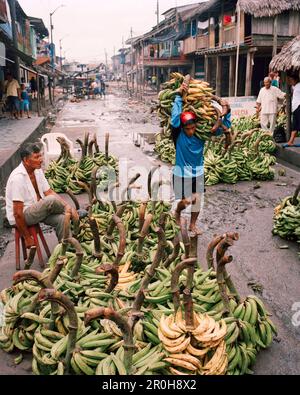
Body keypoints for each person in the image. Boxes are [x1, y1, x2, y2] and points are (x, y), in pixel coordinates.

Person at [5, 143, 79, 249]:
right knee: (51, 200)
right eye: (36, 157)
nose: (41, 159)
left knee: (62, 219)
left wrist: (66, 205)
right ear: (26, 160)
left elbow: (48, 191)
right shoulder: (17, 178)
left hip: (37, 209)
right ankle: (72, 212)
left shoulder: (37, 170)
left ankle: (66, 251)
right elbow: (17, 214)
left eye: (40, 156)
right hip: (23, 216)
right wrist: (27, 237)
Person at [171, 77, 213, 235]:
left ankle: (192, 225)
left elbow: (219, 129)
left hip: (198, 172)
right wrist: (178, 97)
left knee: (197, 201)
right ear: (183, 128)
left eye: (193, 127)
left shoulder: (200, 135)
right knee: (185, 201)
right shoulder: (178, 135)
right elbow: (175, 120)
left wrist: (226, 112)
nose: (191, 131)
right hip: (181, 173)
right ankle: (177, 212)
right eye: (187, 128)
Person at [285, 73, 300, 147]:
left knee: (297, 125)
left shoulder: (299, 86)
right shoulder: (295, 87)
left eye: (291, 80)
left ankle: (291, 141)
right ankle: (290, 141)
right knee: (295, 126)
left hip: (298, 107)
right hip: (295, 109)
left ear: (296, 80)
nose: (290, 82)